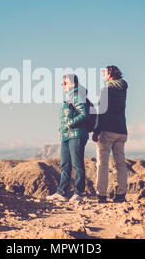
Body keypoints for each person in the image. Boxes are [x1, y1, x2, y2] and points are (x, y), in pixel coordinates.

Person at [47, 74, 89, 203]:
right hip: (66, 136)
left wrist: (69, 124)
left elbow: (84, 114)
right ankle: (62, 192)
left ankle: (78, 193)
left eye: (64, 83)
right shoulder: (70, 97)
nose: (62, 86)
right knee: (65, 165)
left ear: (72, 84)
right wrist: (61, 130)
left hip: (76, 135)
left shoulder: (77, 96)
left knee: (77, 164)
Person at [92, 65, 128, 203]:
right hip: (122, 130)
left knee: (102, 163)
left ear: (109, 75)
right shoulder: (123, 88)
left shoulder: (107, 89)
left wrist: (96, 131)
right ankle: (121, 194)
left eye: (104, 74)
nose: (102, 77)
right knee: (120, 163)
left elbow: (102, 111)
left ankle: (101, 194)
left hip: (107, 130)